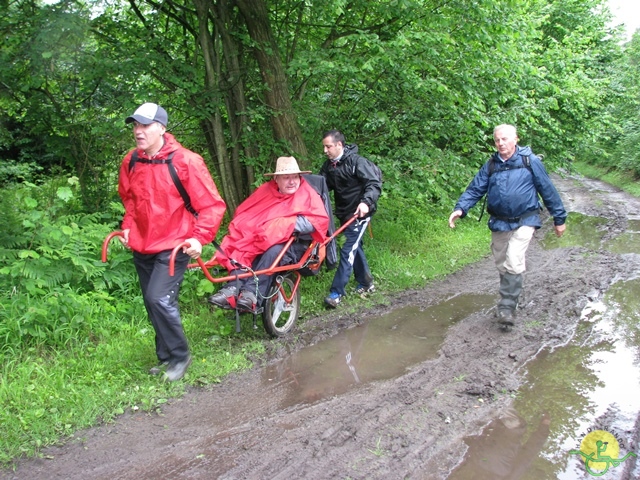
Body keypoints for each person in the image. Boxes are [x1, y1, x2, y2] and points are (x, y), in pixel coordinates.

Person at [118, 102, 226, 381]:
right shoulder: (132, 161)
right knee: (151, 301)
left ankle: (180, 357)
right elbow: (129, 199)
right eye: (135, 126)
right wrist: (128, 226)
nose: (138, 132)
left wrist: (199, 238)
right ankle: (165, 357)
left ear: (162, 128)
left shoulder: (186, 161)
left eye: (145, 126)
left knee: (159, 298)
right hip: (142, 243)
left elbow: (212, 206)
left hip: (175, 243)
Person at [448, 124, 567, 329]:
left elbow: (547, 189)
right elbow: (476, 188)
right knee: (503, 264)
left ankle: (507, 308)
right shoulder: (492, 164)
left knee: (513, 260)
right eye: (497, 140)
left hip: (525, 219)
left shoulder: (530, 161)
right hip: (499, 222)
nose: (500, 143)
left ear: (515, 139)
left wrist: (559, 218)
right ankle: (509, 298)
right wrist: (460, 209)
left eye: (504, 139)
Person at [208, 156, 329, 312]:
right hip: (264, 240)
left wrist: (281, 225)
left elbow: (316, 221)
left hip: (298, 244)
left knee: (273, 252)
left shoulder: (308, 194)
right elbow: (247, 215)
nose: (292, 181)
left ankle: (252, 294)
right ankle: (233, 287)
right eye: (286, 178)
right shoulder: (266, 192)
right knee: (239, 246)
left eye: (295, 177)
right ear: (276, 179)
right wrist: (256, 231)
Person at [319, 130, 382, 308]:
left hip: (360, 213)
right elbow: (320, 187)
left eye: (328, 146)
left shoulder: (357, 162)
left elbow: (374, 184)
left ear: (339, 145)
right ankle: (366, 282)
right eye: (324, 146)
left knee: (347, 249)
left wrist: (366, 203)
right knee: (355, 247)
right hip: (344, 213)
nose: (325, 150)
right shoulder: (329, 167)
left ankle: (336, 293)